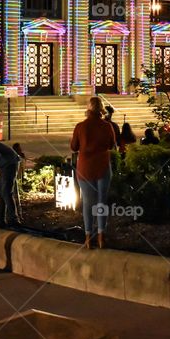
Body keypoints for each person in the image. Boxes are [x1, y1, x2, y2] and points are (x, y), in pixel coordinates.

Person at [70, 97, 117, 249]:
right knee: (102, 202)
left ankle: (88, 237)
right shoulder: (107, 126)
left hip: (85, 167)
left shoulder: (80, 126)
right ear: (101, 110)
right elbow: (111, 144)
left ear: (88, 109)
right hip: (102, 166)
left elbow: (73, 147)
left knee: (88, 203)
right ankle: (102, 236)